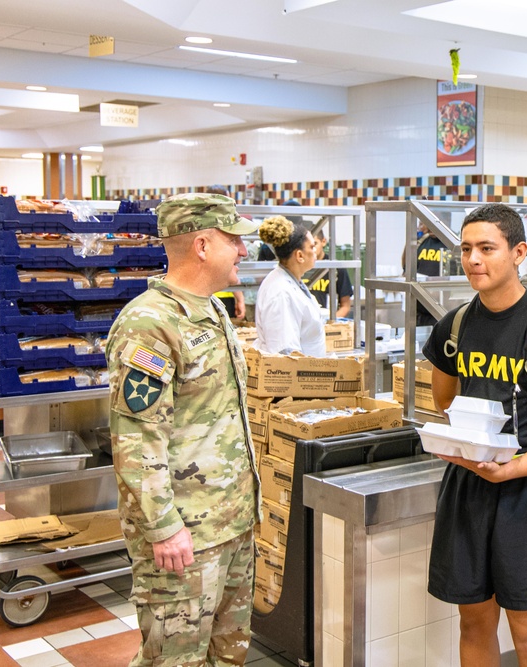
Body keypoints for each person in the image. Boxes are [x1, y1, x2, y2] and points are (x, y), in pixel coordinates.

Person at [422, 203, 527, 666]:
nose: (474, 259)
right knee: (473, 621)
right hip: (468, 490)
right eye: (466, 249)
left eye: (487, 248)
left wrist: (510, 468)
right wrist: (468, 448)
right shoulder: (454, 326)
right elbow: (445, 402)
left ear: (518, 253)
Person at [107, 192, 261, 666]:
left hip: (231, 522)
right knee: (174, 659)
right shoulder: (148, 324)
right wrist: (163, 528)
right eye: (233, 239)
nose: (243, 249)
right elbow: (136, 439)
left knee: (228, 653)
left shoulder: (211, 310)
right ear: (201, 245)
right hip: (185, 536)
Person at [254, 215, 326, 357]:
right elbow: (285, 353)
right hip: (297, 375)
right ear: (299, 255)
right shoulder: (280, 291)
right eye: (312, 247)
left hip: (310, 372)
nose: (315, 251)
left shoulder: (291, 282)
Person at [206, 185, 246, 319]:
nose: (243, 252)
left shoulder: (225, 225)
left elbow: (231, 266)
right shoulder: (211, 229)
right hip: (211, 296)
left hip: (221, 295)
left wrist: (239, 297)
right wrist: (239, 298)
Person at [403, 222, 450, 326]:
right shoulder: (421, 242)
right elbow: (406, 269)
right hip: (419, 310)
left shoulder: (451, 244)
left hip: (442, 311)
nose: (428, 227)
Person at [309, 228, 353, 318]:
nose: (312, 250)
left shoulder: (337, 269)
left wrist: (329, 323)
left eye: (315, 244)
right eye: (308, 246)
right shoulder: (299, 268)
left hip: (327, 322)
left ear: (323, 242)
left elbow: (345, 306)